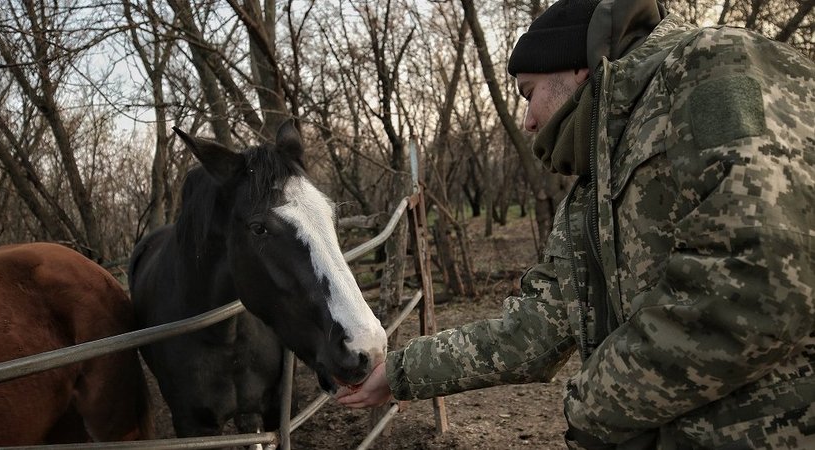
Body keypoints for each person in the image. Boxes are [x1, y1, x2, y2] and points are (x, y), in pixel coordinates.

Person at [336, 0, 815, 448]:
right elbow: (533, 329)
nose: (526, 120)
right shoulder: (594, 186)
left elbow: (761, 281)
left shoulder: (714, 64)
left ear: (576, 66)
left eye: (529, 93)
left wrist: (594, 403)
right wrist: (399, 373)